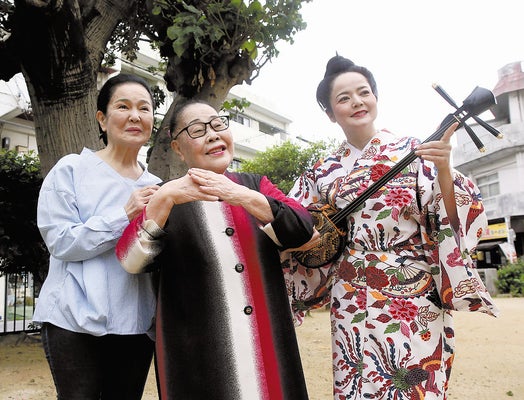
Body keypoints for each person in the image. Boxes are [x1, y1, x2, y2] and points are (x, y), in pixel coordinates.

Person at [282, 55, 499, 400]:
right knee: (355, 380)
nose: (357, 101)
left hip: (411, 291)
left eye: (364, 92)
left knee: (410, 381)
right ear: (329, 113)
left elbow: (453, 218)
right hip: (350, 290)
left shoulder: (416, 150)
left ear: (376, 98)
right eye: (344, 97)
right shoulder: (320, 172)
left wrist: (444, 168)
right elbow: (293, 225)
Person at [116, 99, 314, 400]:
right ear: (178, 149)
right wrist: (164, 199)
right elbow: (130, 260)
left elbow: (303, 226)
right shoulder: (166, 199)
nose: (212, 134)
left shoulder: (255, 186)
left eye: (219, 124)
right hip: (198, 359)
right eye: (197, 129)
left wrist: (241, 196)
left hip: (267, 345)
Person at [32, 73, 161, 400]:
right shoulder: (71, 169)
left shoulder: (158, 187)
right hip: (72, 321)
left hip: (134, 325)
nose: (135, 116)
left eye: (144, 109)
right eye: (123, 106)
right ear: (102, 119)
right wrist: (125, 214)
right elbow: (61, 241)